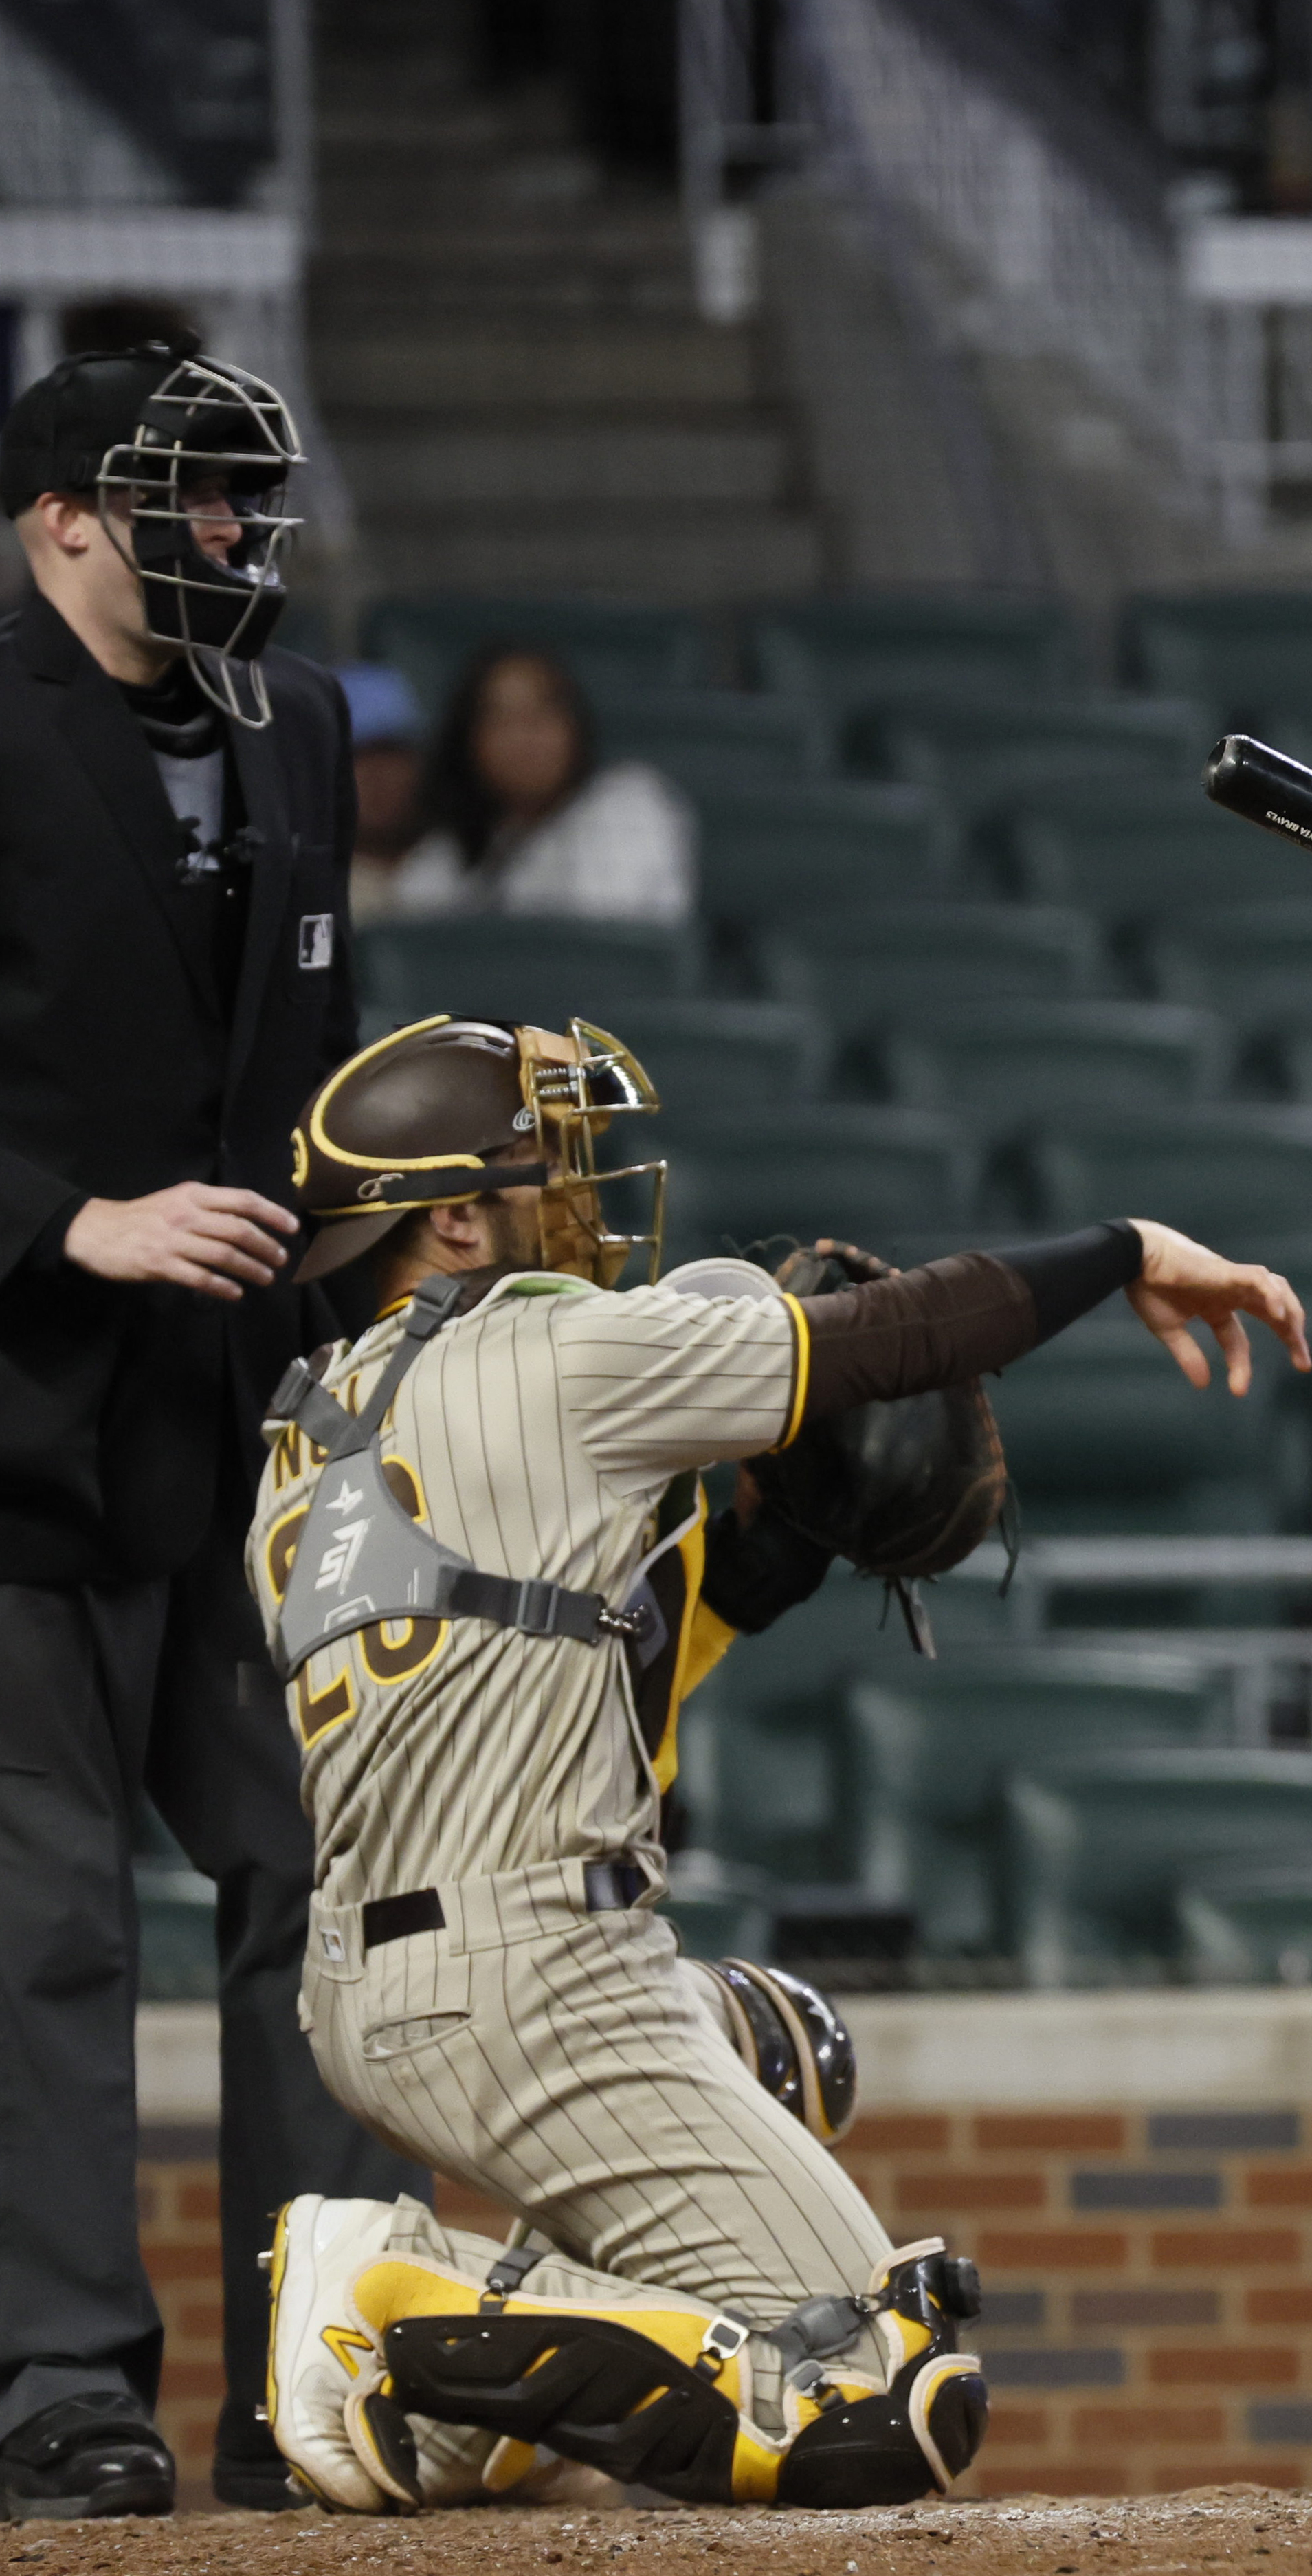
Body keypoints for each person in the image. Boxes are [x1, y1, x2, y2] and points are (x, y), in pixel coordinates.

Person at [248, 1014, 1307, 2513]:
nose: (584, 1189)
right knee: (878, 2397)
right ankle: (408, 2299)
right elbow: (902, 1333)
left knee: (785, 2045)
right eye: (545, 1162)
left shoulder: (312, 1439)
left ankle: (452, 2413)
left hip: (376, 1982)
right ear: (454, 1217)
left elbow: (604, 1655)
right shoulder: (545, 1347)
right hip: (529, 1975)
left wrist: (786, 1543)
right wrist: (1123, 1246)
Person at [0, 344, 428, 2520]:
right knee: (51, 1922)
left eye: (250, 507)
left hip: (234, 1435)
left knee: (321, 1879)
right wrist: (66, 1221)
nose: (239, 544)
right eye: (196, 504)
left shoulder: (301, 726)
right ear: (62, 513)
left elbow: (309, 1072)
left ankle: (314, 2373)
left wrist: (398, 1258)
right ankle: (61, 2395)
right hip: (15, 1436)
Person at [365, 643, 693, 923]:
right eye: (500, 719)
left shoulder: (627, 803)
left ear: (574, 727)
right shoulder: (453, 851)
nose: (525, 737)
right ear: (469, 742)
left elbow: (583, 949)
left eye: (541, 714)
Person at [339, 664, 426, 874]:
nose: (376, 775)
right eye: (358, 757)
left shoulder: (454, 868)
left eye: (390, 754)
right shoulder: (304, 887)